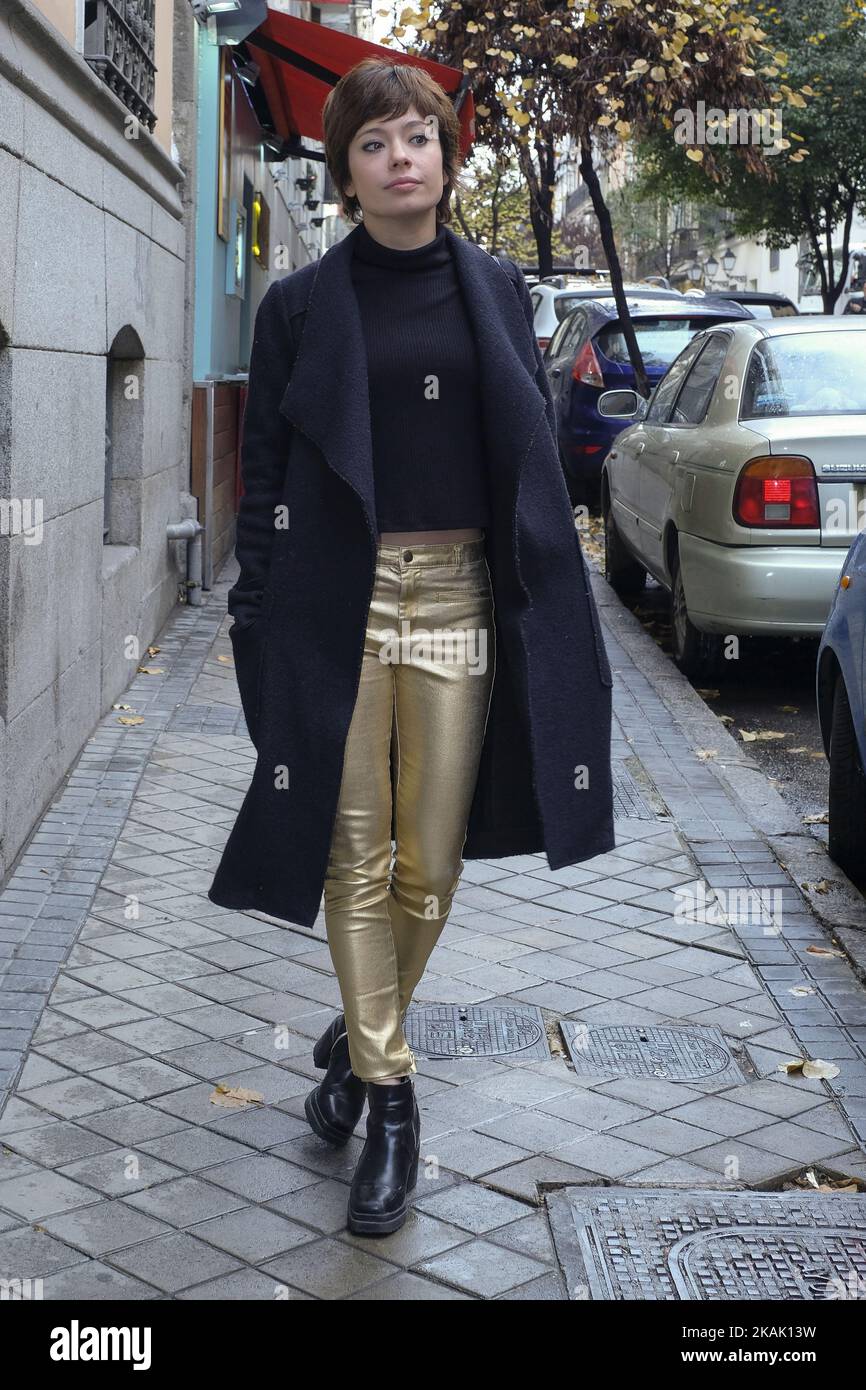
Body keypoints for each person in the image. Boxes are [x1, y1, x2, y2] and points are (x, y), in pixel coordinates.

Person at [210, 56, 615, 1237]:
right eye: (376, 142)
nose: (401, 158)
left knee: (427, 864)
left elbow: (529, 460)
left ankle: (351, 1036)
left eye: (419, 138)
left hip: (455, 605)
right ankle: (391, 1101)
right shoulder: (298, 305)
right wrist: (254, 614)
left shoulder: (494, 290)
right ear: (344, 170)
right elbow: (267, 472)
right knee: (354, 859)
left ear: (446, 157)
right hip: (336, 608)